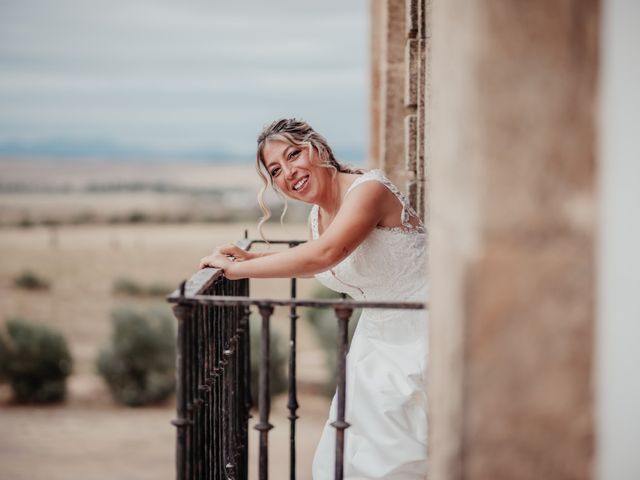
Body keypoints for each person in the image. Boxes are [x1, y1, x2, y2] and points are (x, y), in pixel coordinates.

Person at [199, 118, 428, 479]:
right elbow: (320, 260)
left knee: (390, 460)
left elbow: (326, 254)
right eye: (276, 170)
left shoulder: (369, 190)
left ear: (318, 149)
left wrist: (238, 272)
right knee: (346, 458)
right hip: (375, 344)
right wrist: (251, 258)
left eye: (294, 155)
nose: (288, 172)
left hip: (423, 330)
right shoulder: (318, 218)